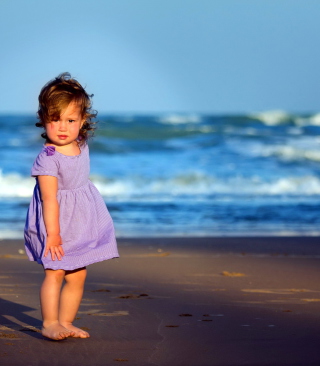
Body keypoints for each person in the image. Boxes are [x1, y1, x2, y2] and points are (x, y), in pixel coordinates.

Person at [24, 72, 119, 341]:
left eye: (70, 120)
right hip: (55, 221)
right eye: (55, 120)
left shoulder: (80, 143)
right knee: (55, 272)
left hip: (81, 218)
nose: (63, 127)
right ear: (44, 119)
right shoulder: (48, 159)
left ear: (83, 121)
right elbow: (49, 199)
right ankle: (50, 323)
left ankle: (65, 321)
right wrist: (53, 234)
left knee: (78, 274)